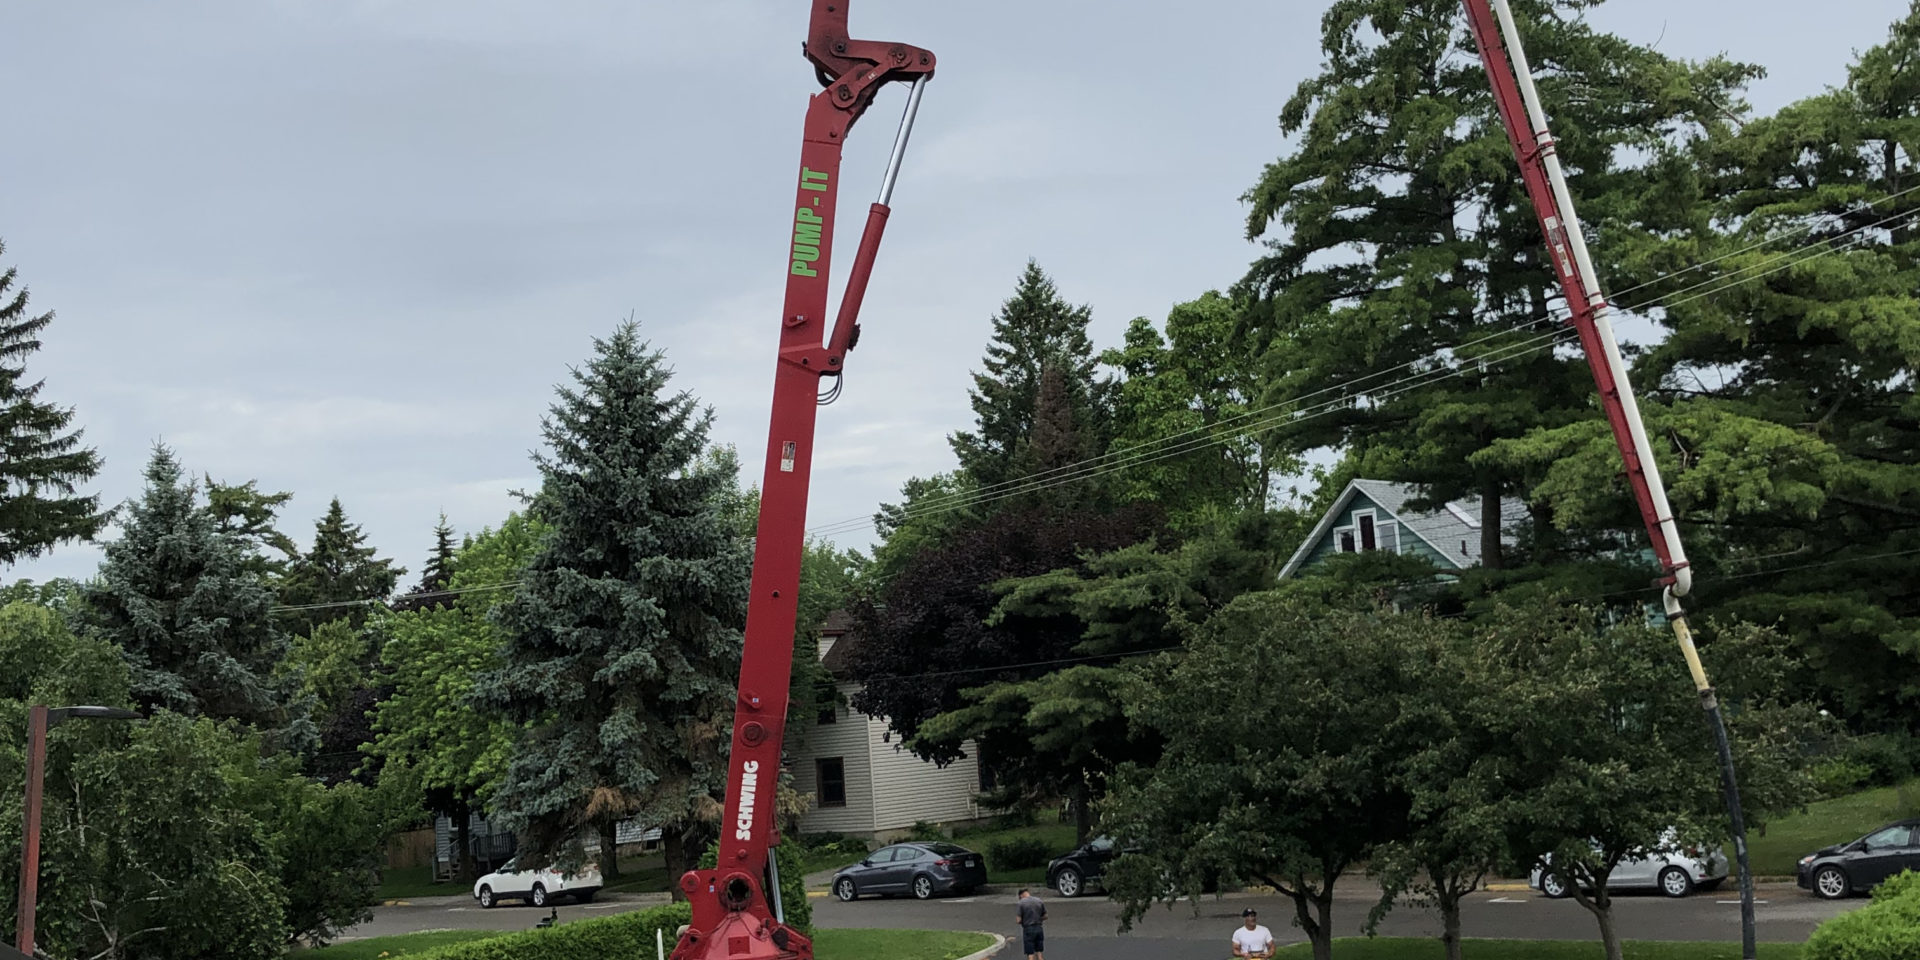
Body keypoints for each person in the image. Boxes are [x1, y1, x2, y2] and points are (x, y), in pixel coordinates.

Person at [1015, 887, 1047, 960]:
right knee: (1039, 953)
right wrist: (1039, 919)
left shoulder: (1021, 903)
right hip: (1039, 928)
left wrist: (1024, 921)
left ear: (1021, 895)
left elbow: (1018, 920)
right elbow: (1045, 916)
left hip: (1028, 929)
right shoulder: (1039, 901)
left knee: (1030, 953)